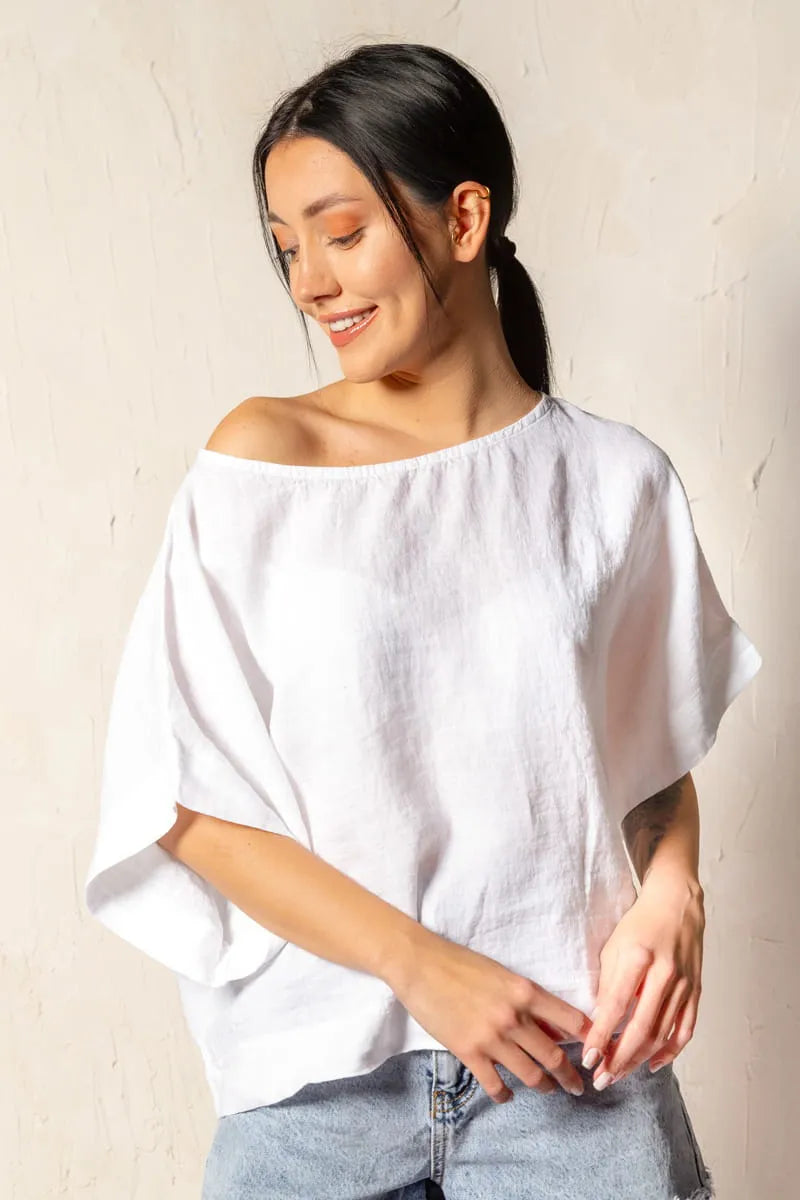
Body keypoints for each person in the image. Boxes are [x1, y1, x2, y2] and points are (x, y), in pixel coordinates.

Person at [84, 42, 761, 1199]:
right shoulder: (263, 461)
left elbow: (643, 760)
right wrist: (421, 968)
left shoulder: (614, 481)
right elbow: (181, 800)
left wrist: (672, 892)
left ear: (462, 217)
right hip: (314, 1099)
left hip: (577, 1082)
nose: (308, 284)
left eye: (340, 234)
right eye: (288, 247)